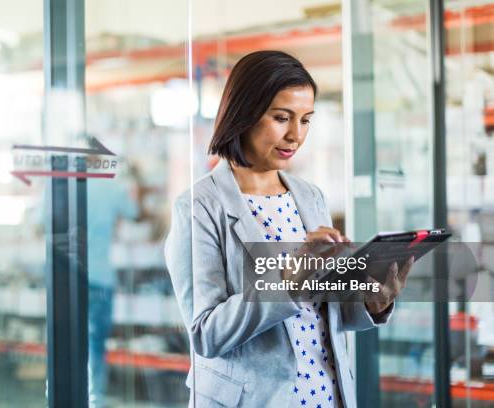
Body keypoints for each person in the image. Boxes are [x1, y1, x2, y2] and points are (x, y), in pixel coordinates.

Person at [164, 51, 414, 407]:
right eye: (282, 118)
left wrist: (371, 303)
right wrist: (287, 280)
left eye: (306, 120)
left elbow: (323, 313)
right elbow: (206, 333)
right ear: (245, 112)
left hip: (327, 395)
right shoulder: (199, 206)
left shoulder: (310, 197)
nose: (295, 135)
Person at [87, 175, 139, 408]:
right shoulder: (110, 187)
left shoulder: (56, 185)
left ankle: (66, 397)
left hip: (64, 281)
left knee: (66, 343)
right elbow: (134, 212)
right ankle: (94, 399)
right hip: (98, 277)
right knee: (96, 344)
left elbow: (40, 222)